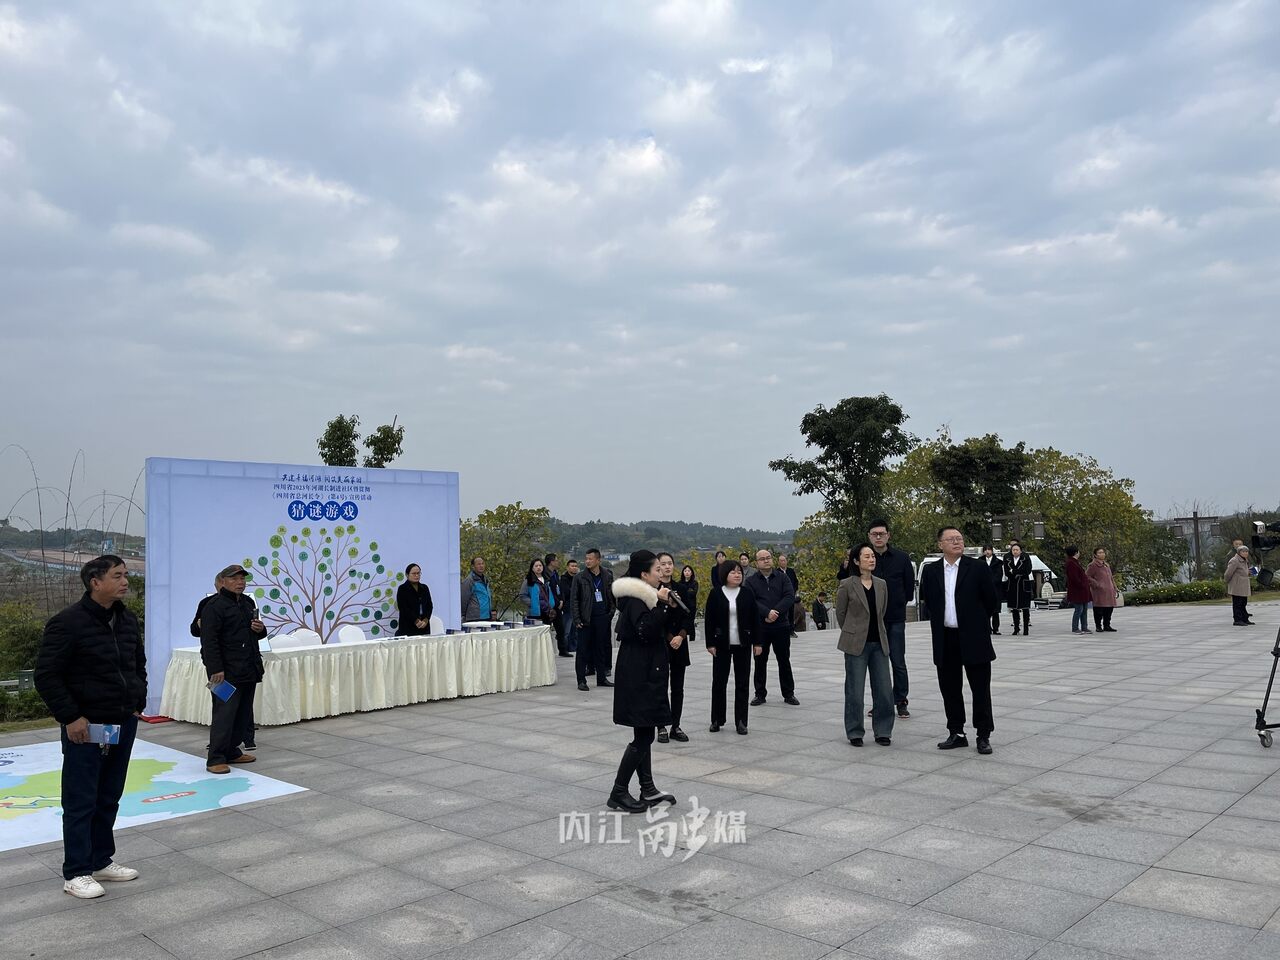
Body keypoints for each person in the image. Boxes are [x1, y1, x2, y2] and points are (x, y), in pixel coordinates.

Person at [34, 555, 146, 899]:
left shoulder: (127, 619)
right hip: (85, 725)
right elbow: (47, 675)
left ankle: (100, 860)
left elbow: (137, 664)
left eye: (126, 575)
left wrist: (137, 701)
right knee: (81, 799)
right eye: (118, 575)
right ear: (95, 582)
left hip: (122, 721)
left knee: (109, 795)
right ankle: (77, 871)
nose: (125, 581)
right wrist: (71, 716)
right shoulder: (67, 623)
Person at [607, 550, 678, 812]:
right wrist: (661, 605)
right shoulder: (636, 599)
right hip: (638, 674)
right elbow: (645, 631)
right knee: (644, 734)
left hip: (646, 670)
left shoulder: (646, 596)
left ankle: (647, 788)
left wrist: (665, 605)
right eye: (657, 569)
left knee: (644, 730)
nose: (662, 573)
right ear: (644, 575)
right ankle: (619, 791)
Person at [919, 527, 999, 755]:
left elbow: (992, 600)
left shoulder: (977, 567)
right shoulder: (931, 571)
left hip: (974, 637)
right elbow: (929, 601)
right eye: (951, 539)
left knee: (980, 689)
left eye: (959, 539)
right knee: (950, 688)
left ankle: (983, 734)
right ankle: (956, 732)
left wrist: (976, 621)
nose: (956, 542)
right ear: (940, 545)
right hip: (945, 637)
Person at [200, 564, 266, 774]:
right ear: (223, 581)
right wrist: (215, 669)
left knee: (242, 714)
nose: (240, 583)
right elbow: (208, 641)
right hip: (224, 673)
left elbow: (256, 633)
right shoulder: (213, 606)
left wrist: (260, 629)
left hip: (248, 667)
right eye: (234, 579)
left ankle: (232, 751)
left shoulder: (247, 602)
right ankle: (216, 758)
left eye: (242, 579)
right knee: (224, 714)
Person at [836, 543, 894, 746]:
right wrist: (853, 631)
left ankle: (883, 731)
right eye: (867, 556)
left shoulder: (881, 584)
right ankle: (855, 732)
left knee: (884, 690)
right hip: (855, 645)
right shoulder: (846, 584)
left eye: (873, 556)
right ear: (856, 561)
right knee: (855, 691)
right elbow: (841, 614)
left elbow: (882, 611)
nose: (872, 559)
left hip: (879, 644)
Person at [704, 559, 761, 734]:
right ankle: (717, 719)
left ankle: (741, 721)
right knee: (719, 682)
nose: (737, 575)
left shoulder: (747, 593)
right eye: (733, 572)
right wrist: (710, 643)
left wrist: (758, 642)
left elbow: (755, 619)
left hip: (743, 643)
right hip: (721, 644)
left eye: (739, 572)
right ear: (725, 574)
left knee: (742, 683)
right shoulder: (716, 593)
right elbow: (709, 620)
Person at [867, 519, 915, 719]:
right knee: (877, 663)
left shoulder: (902, 558)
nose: (878, 537)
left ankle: (901, 700)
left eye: (882, 533)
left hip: (895, 617)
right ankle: (880, 703)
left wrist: (898, 602)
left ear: (888, 535)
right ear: (869, 536)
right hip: (872, 620)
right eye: (874, 534)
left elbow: (909, 588)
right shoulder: (865, 558)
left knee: (898, 661)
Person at [746, 548, 797, 706]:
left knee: (784, 660)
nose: (766, 560)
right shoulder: (751, 581)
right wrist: (766, 613)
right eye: (762, 559)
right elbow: (750, 601)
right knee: (760, 661)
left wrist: (775, 612)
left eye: (768, 557)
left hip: (781, 625)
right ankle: (759, 694)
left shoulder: (783, 577)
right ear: (757, 563)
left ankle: (789, 694)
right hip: (760, 627)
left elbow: (789, 596)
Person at [655, 554, 693, 744]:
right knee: (660, 685)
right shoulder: (654, 590)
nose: (667, 567)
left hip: (680, 642)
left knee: (678, 687)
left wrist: (681, 635)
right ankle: (661, 725)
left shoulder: (681, 588)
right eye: (663, 564)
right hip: (662, 643)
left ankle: (675, 725)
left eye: (670, 563)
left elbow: (689, 614)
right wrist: (670, 637)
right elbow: (655, 618)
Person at [572, 547, 616, 691]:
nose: (587, 561)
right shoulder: (580, 577)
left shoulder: (607, 575)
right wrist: (577, 619)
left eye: (590, 559)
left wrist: (610, 613)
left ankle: (601, 678)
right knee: (583, 650)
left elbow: (611, 596)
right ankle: (581, 680)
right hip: (586, 618)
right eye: (586, 559)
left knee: (600, 649)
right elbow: (574, 600)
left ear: (598, 560)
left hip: (602, 618)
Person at [1003, 541, 1034, 636]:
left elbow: (1027, 570)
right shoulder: (1007, 557)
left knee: (1025, 607)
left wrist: (1015, 571)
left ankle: (1026, 628)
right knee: (1014, 608)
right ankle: (1016, 628)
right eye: (1013, 550)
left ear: (1020, 551)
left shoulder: (1025, 557)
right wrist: (1015, 572)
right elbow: (1007, 572)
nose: (1015, 551)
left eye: (1017, 550)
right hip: (1012, 583)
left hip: (1023, 584)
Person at [395, 563, 434, 636]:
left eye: (418, 573)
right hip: (408, 627)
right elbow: (403, 608)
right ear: (407, 575)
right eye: (414, 573)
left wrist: (426, 620)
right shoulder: (402, 589)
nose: (416, 575)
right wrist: (416, 621)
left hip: (424, 627)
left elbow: (429, 606)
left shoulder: (424, 588)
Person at [1087, 547, 1118, 633]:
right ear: (1095, 555)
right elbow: (1087, 576)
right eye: (1099, 553)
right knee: (1099, 609)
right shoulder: (1093, 565)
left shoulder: (1106, 565)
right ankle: (1098, 626)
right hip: (1099, 591)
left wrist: (1115, 587)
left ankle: (1107, 625)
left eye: (1103, 552)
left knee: (1109, 608)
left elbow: (1111, 578)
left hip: (1109, 590)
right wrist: (1097, 584)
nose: (1102, 554)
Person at [1064, 547, 1092, 634]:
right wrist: (1082, 584)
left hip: (1083, 590)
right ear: (1076, 553)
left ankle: (1084, 627)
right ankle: (1075, 628)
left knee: (1084, 609)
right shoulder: (1071, 563)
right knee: (1079, 609)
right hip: (1077, 590)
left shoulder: (1075, 562)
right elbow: (1074, 577)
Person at [545, 553, 567, 655]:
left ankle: (562, 650)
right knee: (547, 628)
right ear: (551, 562)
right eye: (556, 560)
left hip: (558, 605)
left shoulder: (555, 573)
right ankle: (546, 651)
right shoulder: (545, 574)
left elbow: (559, 588)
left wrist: (561, 600)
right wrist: (556, 602)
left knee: (561, 628)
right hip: (549, 606)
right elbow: (548, 591)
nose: (558, 562)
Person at [1227, 544, 1254, 626]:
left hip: (1243, 586)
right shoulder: (1234, 560)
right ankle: (1237, 620)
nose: (1246, 553)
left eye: (1247, 552)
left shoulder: (1245, 560)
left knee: (1243, 603)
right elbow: (1228, 573)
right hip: (1237, 586)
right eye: (1243, 551)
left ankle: (1244, 619)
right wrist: (1228, 582)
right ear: (1239, 552)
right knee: (1237, 604)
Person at [522, 558, 555, 624]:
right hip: (534, 613)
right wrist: (533, 603)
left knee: (546, 629)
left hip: (547, 612)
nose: (538, 567)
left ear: (543, 567)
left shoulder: (546, 580)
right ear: (532, 568)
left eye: (540, 565)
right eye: (536, 566)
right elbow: (522, 595)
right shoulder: (528, 581)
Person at [460, 556, 493, 622]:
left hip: (487, 617)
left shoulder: (485, 579)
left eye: (482, 563)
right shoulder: (469, 580)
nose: (481, 566)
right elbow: (463, 599)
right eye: (478, 564)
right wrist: (463, 615)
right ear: (473, 566)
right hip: (475, 618)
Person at [980, 545, 1004, 634]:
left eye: (989, 550)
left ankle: (996, 628)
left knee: (995, 611)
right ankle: (987, 628)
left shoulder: (998, 562)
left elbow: (999, 575)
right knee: (985, 610)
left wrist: (991, 582)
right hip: (983, 589)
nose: (987, 551)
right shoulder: (979, 561)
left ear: (992, 551)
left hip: (995, 588)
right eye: (985, 550)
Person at [562, 558, 580, 654]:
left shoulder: (578, 578)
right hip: (568, 608)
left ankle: (574, 648)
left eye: (576, 566)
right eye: (572, 566)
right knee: (567, 630)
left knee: (575, 630)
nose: (574, 568)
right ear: (567, 567)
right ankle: (565, 649)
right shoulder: (564, 579)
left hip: (577, 608)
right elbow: (567, 592)